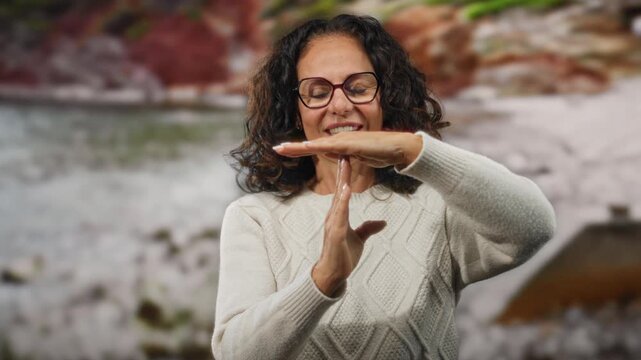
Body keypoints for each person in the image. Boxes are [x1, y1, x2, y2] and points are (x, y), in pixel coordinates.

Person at [212, 14, 555, 360]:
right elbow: (234, 354)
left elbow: (534, 226)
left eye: (358, 88)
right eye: (317, 93)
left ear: (386, 97)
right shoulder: (254, 217)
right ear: (294, 111)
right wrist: (323, 278)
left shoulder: (436, 204)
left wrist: (412, 149)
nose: (341, 105)